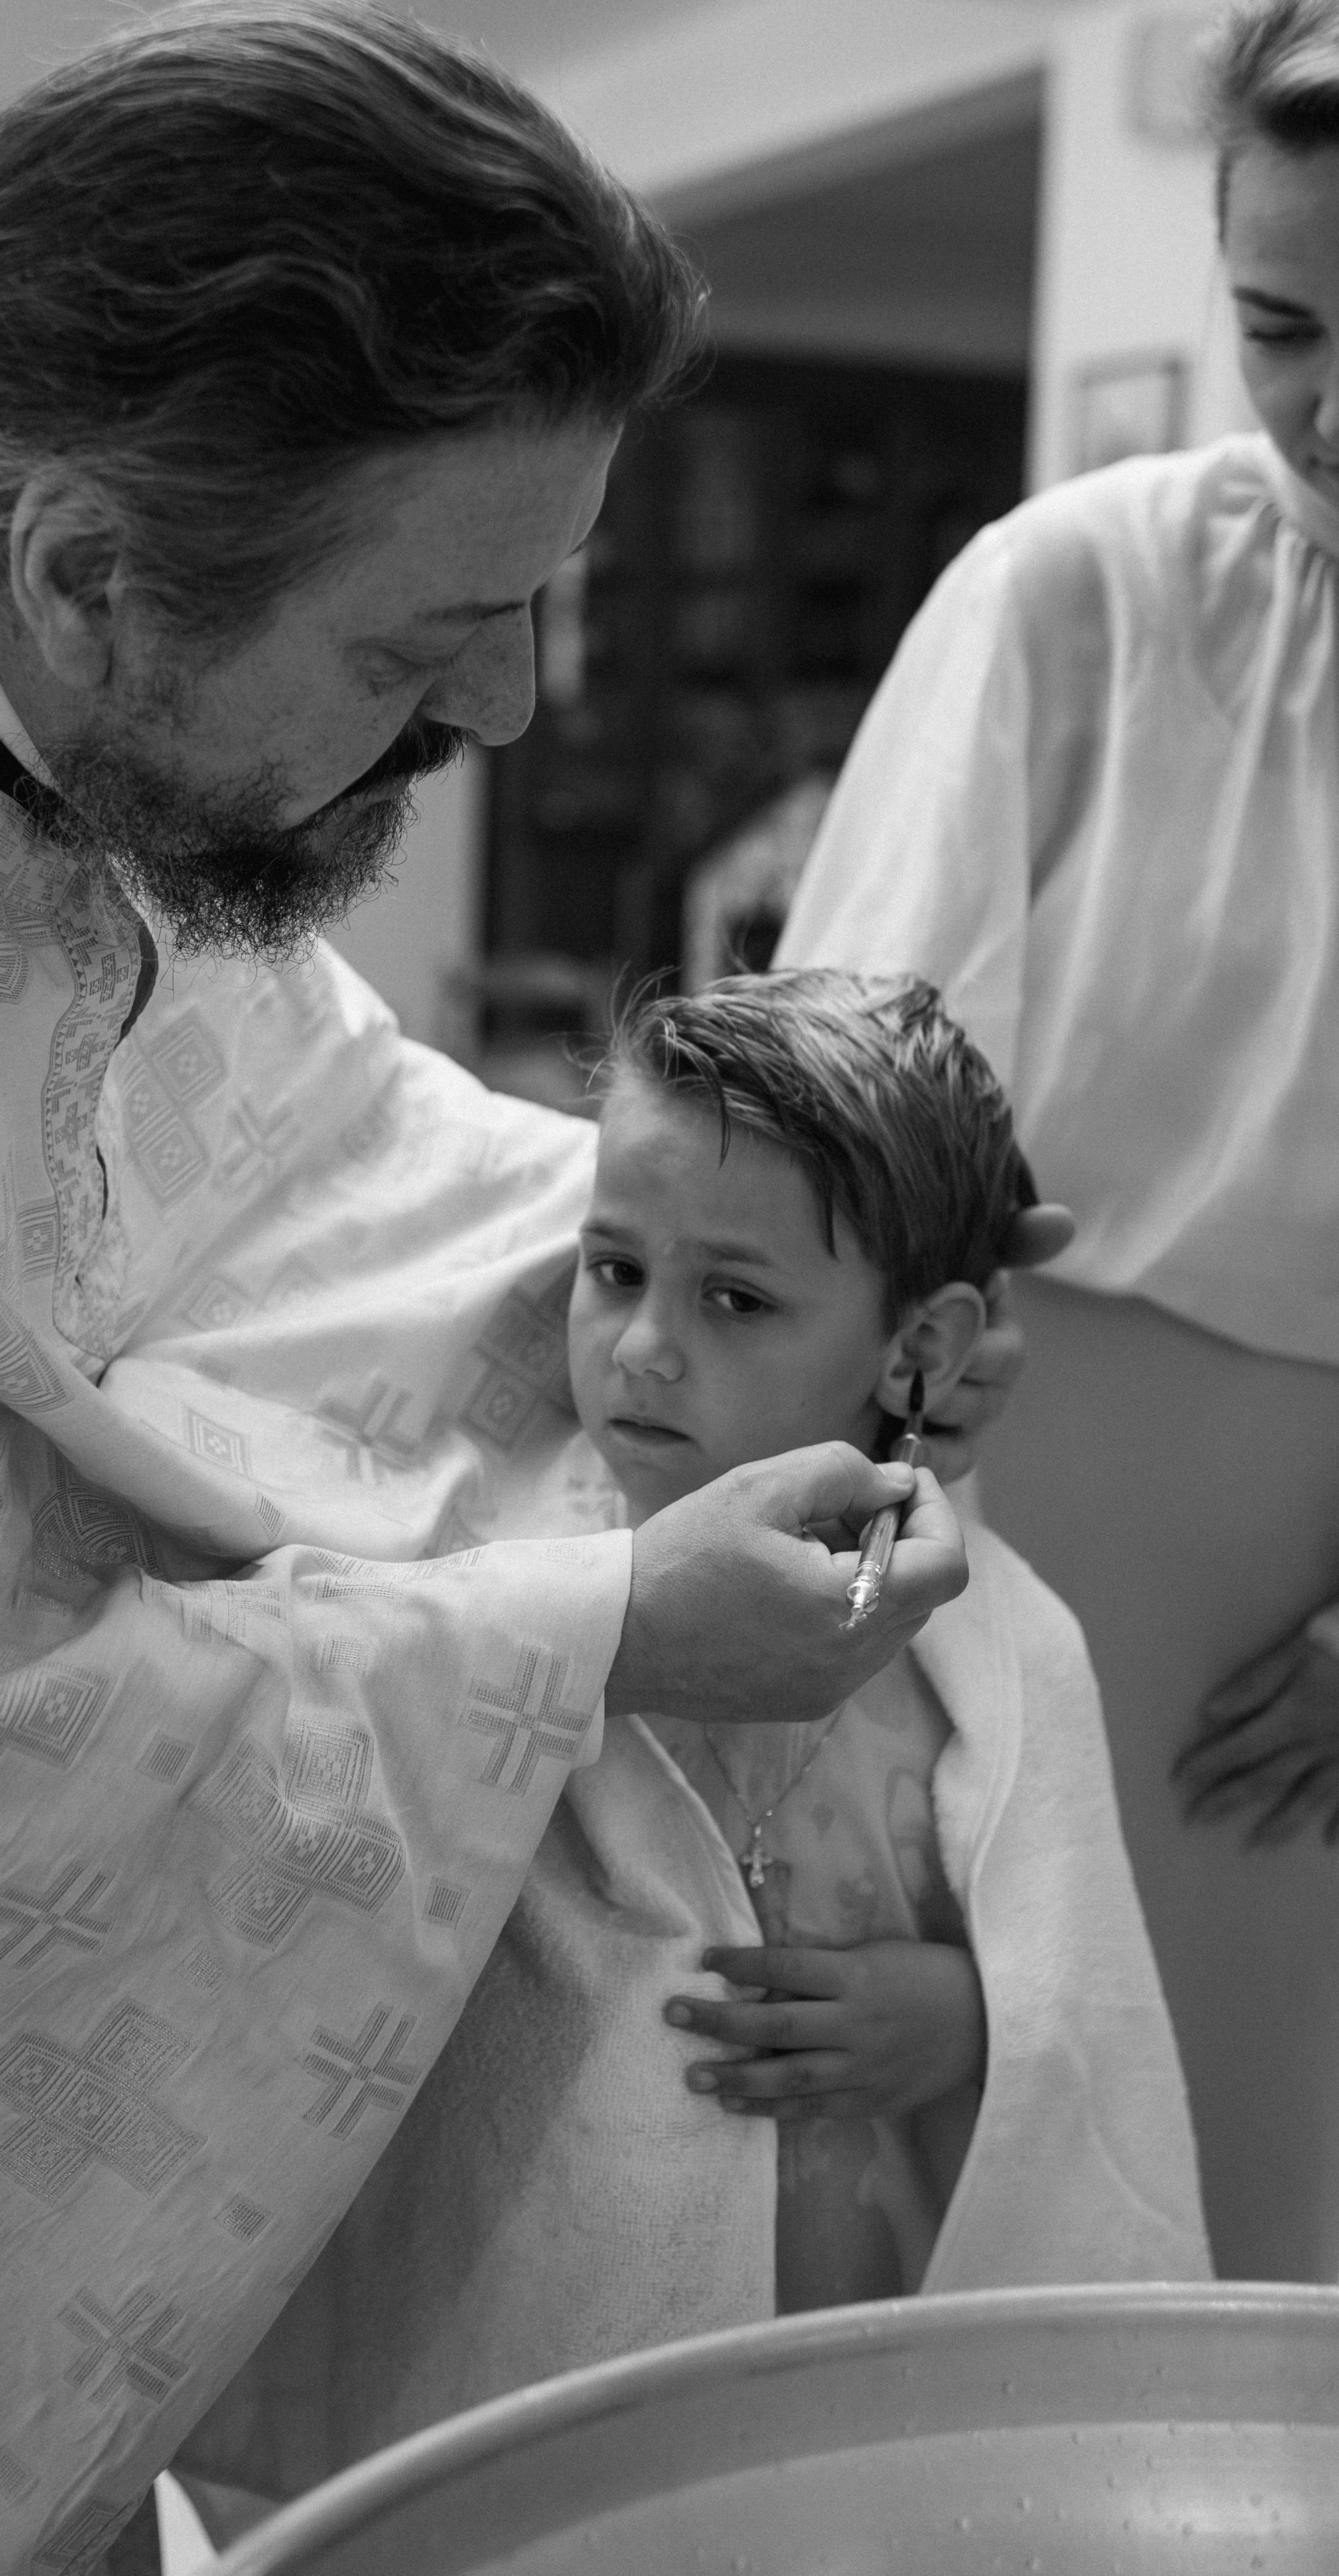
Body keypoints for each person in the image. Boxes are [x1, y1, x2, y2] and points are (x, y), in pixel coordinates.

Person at [0, 13, 999, 2569]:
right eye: (422, 644)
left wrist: (843, 1252)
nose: (504, 707)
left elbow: (340, 1152)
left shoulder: (23, 704)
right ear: (83, 561)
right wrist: (594, 1624)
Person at [178, 975, 1204, 2534]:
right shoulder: (488, 1584)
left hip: (847, 2295)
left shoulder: (1000, 1653)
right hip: (519, 2278)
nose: (642, 1347)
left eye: (734, 1298)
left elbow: (1085, 1993)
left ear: (918, 1344)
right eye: (611, 1267)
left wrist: (970, 2020)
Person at [772, 0, 1339, 2283]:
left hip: (1317, 1606)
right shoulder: (1079, 586)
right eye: (1279, 326)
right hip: (990, 1473)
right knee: (902, 2158)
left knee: (1229, 2191)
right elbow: (841, 1079)